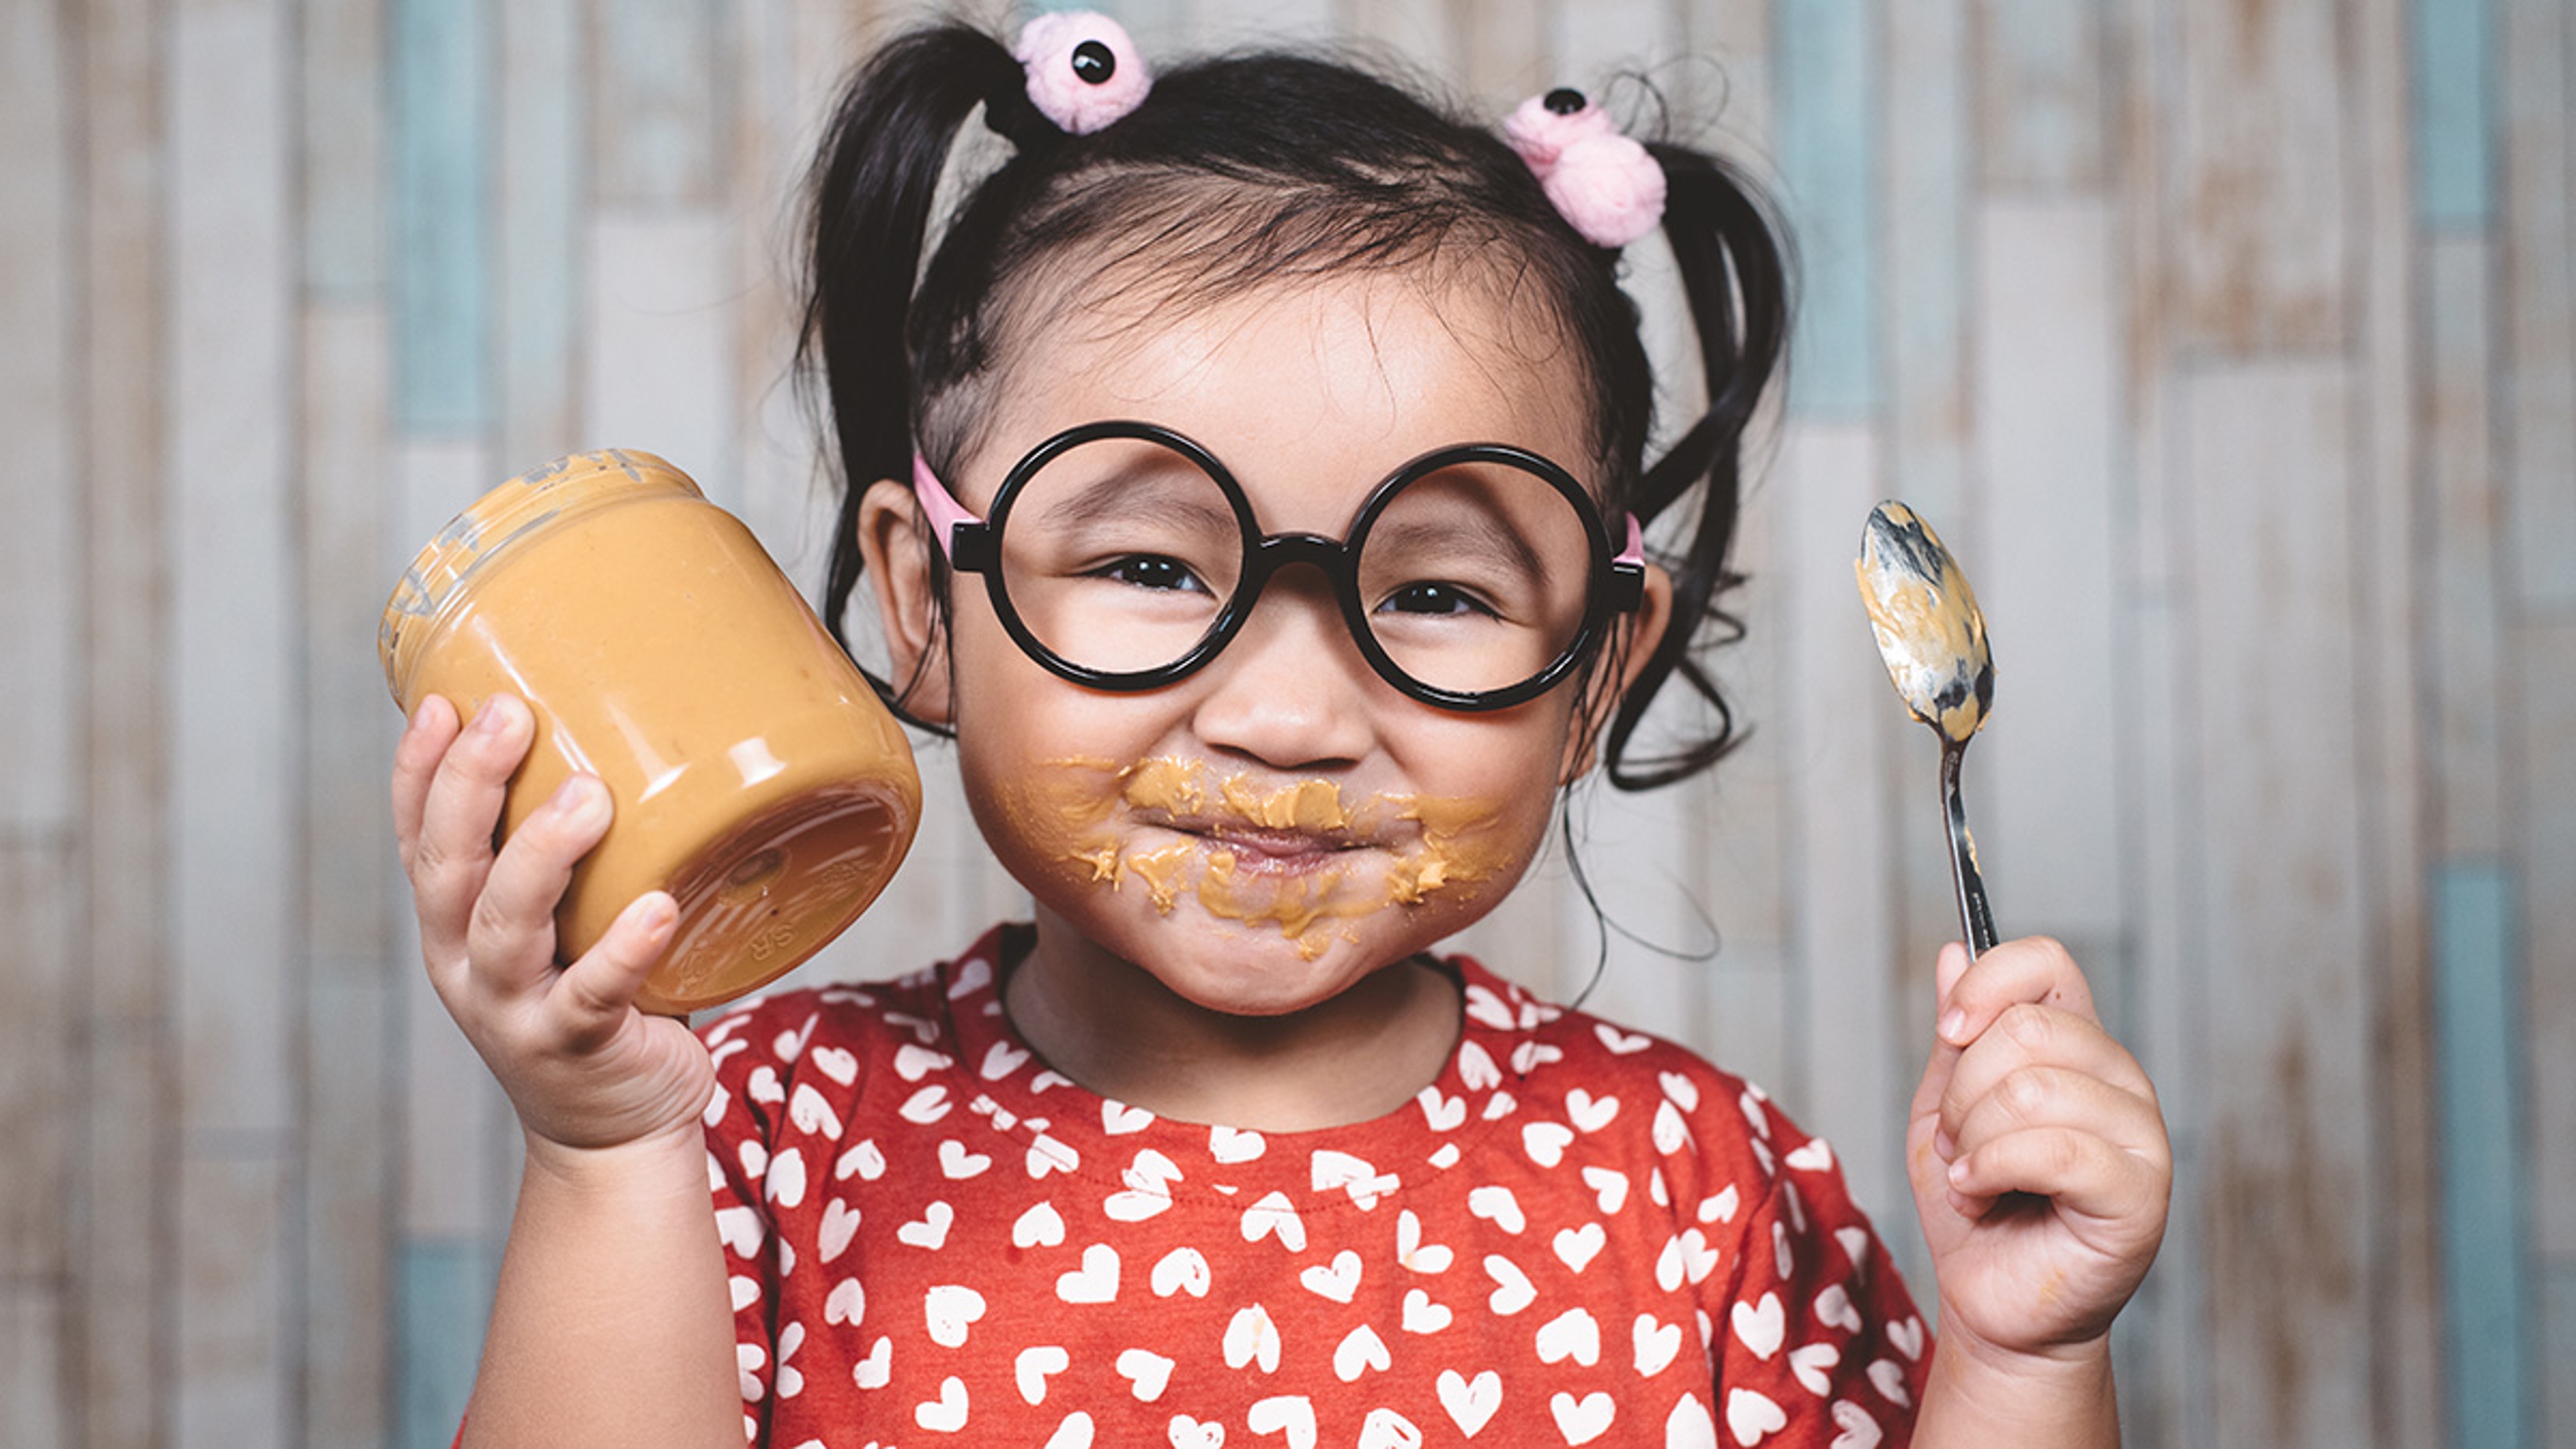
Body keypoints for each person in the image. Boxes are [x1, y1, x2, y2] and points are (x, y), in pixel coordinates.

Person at [390, 13, 2170, 1447]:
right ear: (925, 606)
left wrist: (2018, 1361)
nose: (1297, 712)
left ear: (1595, 672)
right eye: (1156, 561)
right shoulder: (757, 1140)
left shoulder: (1694, 1184)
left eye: (1440, 597)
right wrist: (606, 1152)